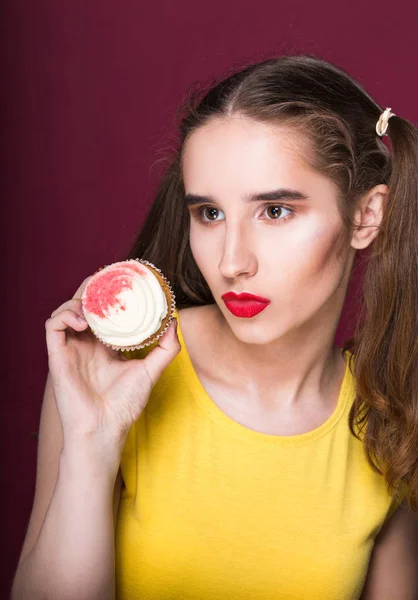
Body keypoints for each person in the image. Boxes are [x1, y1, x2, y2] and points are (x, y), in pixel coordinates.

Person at [12, 54, 418, 599]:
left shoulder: (390, 420)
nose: (232, 262)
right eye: (209, 213)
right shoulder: (111, 374)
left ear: (366, 216)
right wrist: (90, 443)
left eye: (275, 211)